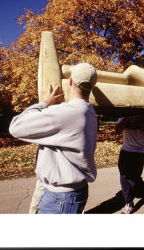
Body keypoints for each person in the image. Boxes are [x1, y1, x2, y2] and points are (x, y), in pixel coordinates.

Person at [9, 63, 98, 214]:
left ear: (70, 81)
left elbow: (15, 127)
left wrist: (44, 103)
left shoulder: (66, 113)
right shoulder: (89, 111)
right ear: (92, 87)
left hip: (61, 198)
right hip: (72, 193)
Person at [116, 114, 144, 214]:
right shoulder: (124, 113)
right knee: (123, 177)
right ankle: (129, 203)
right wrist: (127, 117)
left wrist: (140, 115)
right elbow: (118, 129)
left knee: (134, 179)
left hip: (139, 151)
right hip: (125, 150)